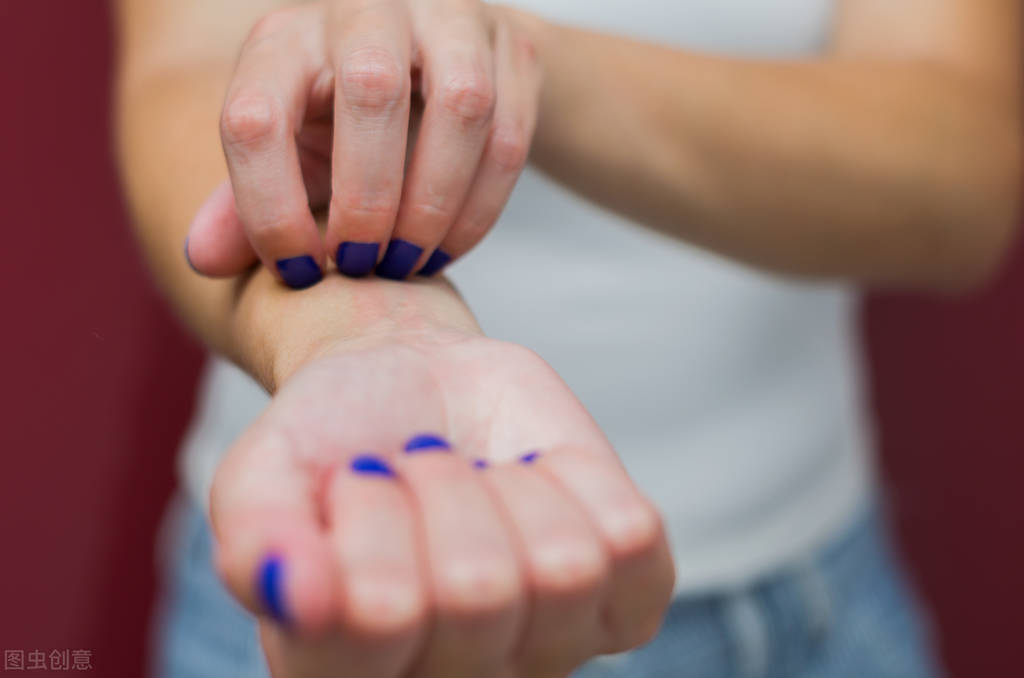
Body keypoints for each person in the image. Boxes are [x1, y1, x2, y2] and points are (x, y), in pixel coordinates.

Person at [114, 0, 1021, 676]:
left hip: (808, 615)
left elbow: (962, 176)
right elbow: (186, 68)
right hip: (339, 550)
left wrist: (514, 64)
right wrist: (343, 328)